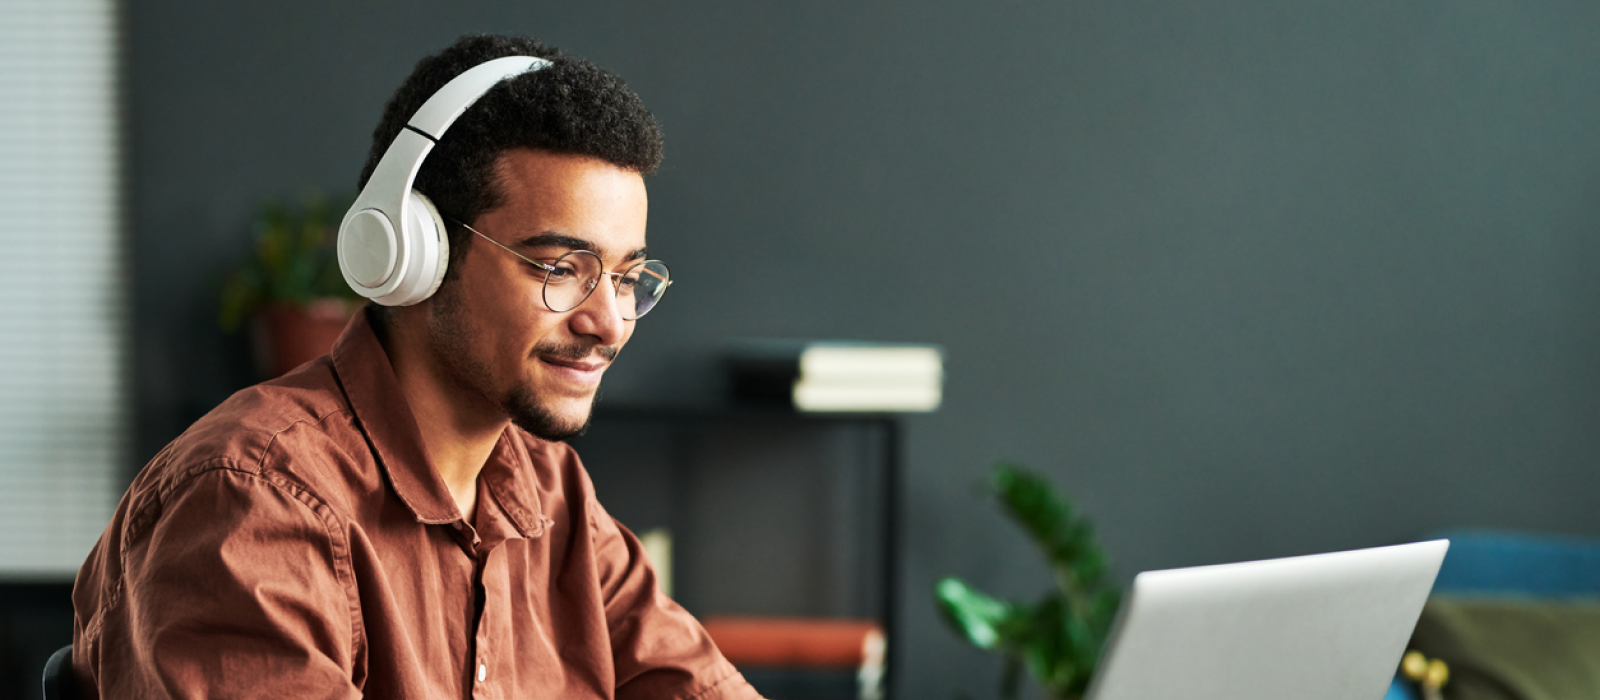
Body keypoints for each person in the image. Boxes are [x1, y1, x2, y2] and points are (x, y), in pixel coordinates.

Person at [71, 35, 761, 700]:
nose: (608, 322)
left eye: (626, 276)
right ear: (411, 252)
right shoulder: (252, 499)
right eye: (559, 269)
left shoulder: (547, 491)